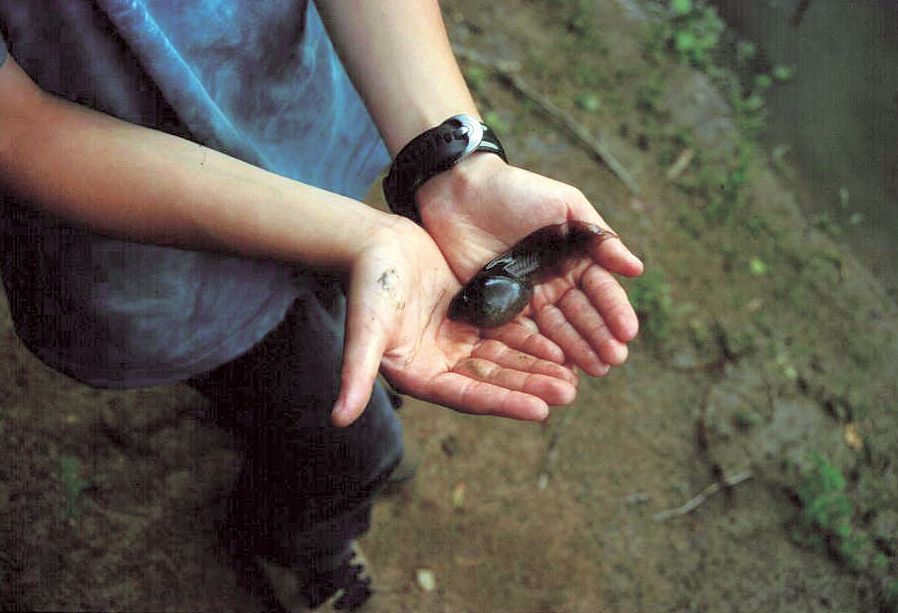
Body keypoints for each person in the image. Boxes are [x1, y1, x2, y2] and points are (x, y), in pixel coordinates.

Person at [0, 1, 643, 610]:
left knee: (338, 318)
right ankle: (295, 542)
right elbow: (17, 126)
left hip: (306, 145)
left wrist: (456, 165)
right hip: (153, 269)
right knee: (351, 448)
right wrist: (360, 237)